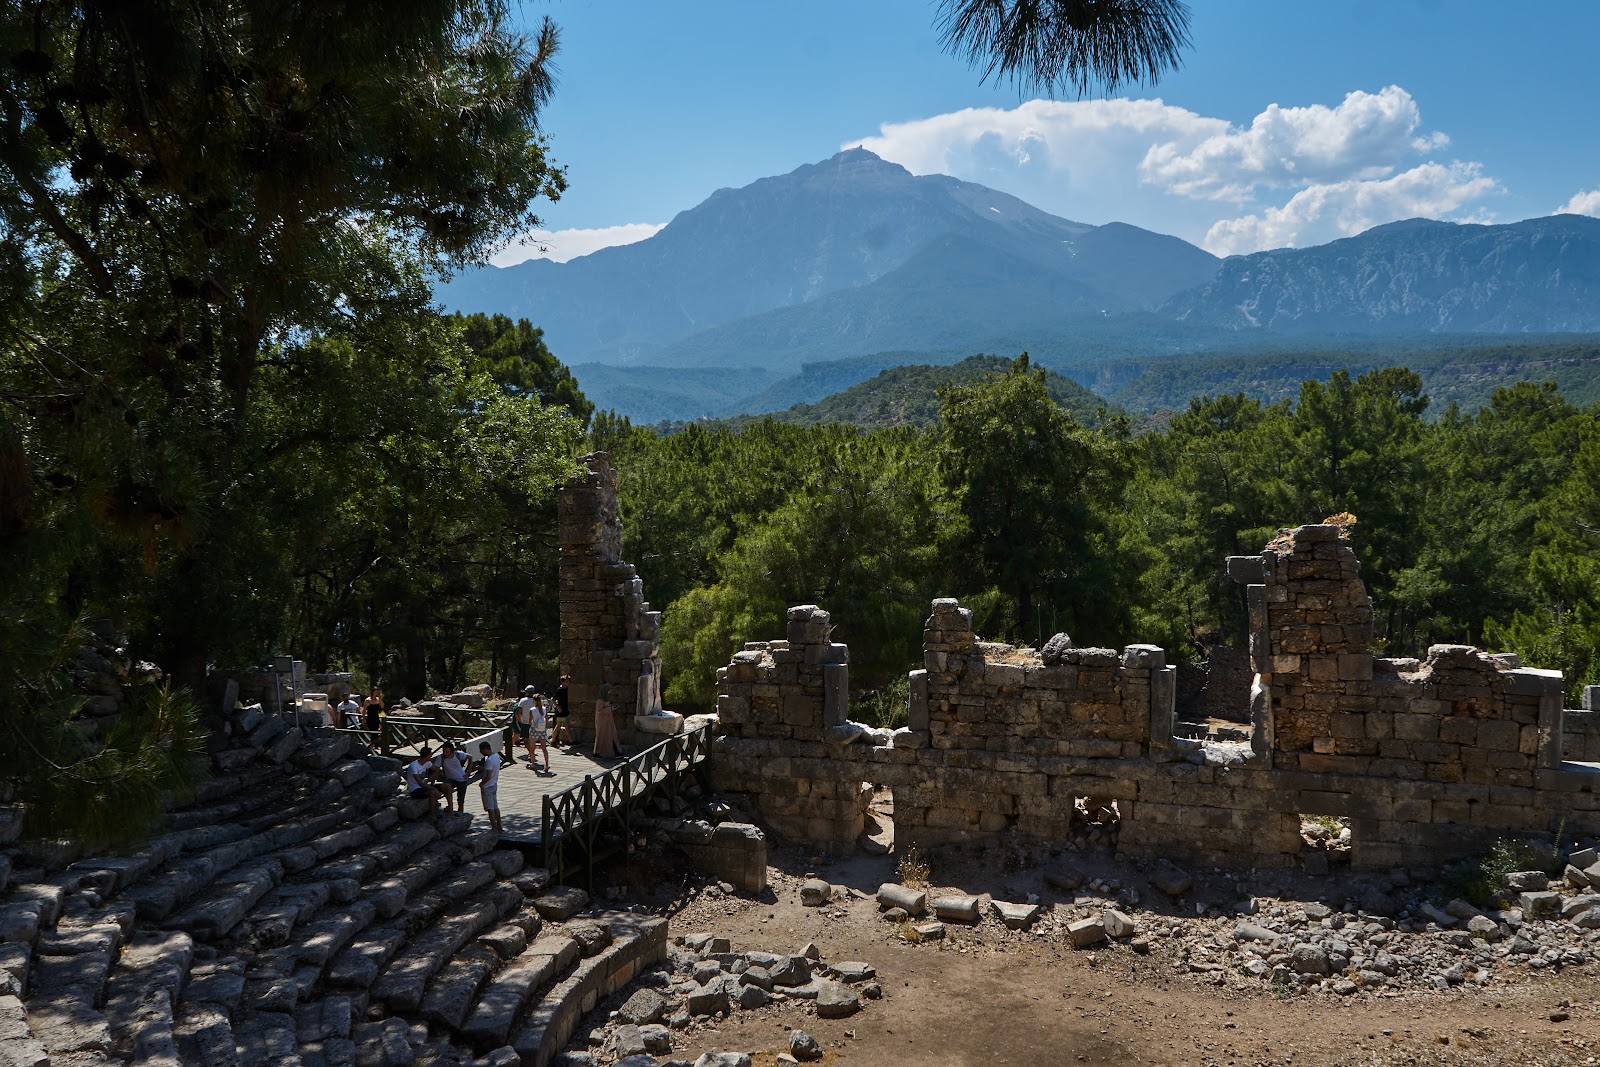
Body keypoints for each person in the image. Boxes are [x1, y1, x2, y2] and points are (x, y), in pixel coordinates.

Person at [404, 745, 441, 811]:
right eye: (430, 755)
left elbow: (436, 769)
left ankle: (450, 810)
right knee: (432, 792)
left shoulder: (427, 763)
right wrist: (434, 789)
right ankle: (433, 815)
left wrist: (430, 779)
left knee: (446, 786)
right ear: (426, 756)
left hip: (424, 786)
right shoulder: (414, 766)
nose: (431, 756)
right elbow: (420, 783)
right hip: (414, 790)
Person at [477, 740, 502, 834]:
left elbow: (488, 776)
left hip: (487, 786)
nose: (481, 752)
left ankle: (494, 828)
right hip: (494, 784)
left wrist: (482, 784)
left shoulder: (489, 760)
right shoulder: (496, 756)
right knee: (495, 807)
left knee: (490, 808)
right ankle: (499, 825)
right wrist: (483, 769)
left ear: (484, 749)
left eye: (481, 750)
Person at [592, 682, 623, 759]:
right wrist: (611, 709)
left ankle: (617, 751)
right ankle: (597, 752)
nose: (609, 692)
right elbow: (599, 710)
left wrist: (612, 706)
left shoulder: (606, 698)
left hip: (608, 721)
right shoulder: (600, 700)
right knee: (601, 737)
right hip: (602, 721)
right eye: (608, 690)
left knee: (612, 735)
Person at [437, 742, 469, 813]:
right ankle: (450, 807)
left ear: (452, 751)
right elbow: (436, 768)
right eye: (444, 751)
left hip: (461, 779)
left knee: (460, 799)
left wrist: (468, 772)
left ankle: (460, 812)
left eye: (447, 752)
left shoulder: (458, 754)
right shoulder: (441, 758)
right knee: (445, 786)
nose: (445, 753)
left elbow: (470, 757)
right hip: (450, 779)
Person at [514, 685, 541, 769]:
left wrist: (520, 720)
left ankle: (531, 753)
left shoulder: (522, 700)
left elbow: (519, 712)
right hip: (534, 723)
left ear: (526, 692)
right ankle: (532, 754)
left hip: (525, 723)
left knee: (526, 740)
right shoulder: (536, 700)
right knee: (533, 740)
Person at [527, 695, 551, 774]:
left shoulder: (532, 710)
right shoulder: (544, 709)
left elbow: (530, 721)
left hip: (534, 729)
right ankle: (546, 764)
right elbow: (546, 719)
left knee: (532, 748)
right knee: (544, 748)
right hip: (542, 729)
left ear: (535, 701)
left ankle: (533, 764)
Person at [552, 673, 573, 747]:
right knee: (562, 726)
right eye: (567, 681)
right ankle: (571, 741)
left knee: (562, 726)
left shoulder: (566, 689)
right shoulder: (560, 690)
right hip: (561, 711)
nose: (568, 683)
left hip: (565, 710)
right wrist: (558, 707)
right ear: (563, 682)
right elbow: (553, 699)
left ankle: (553, 741)